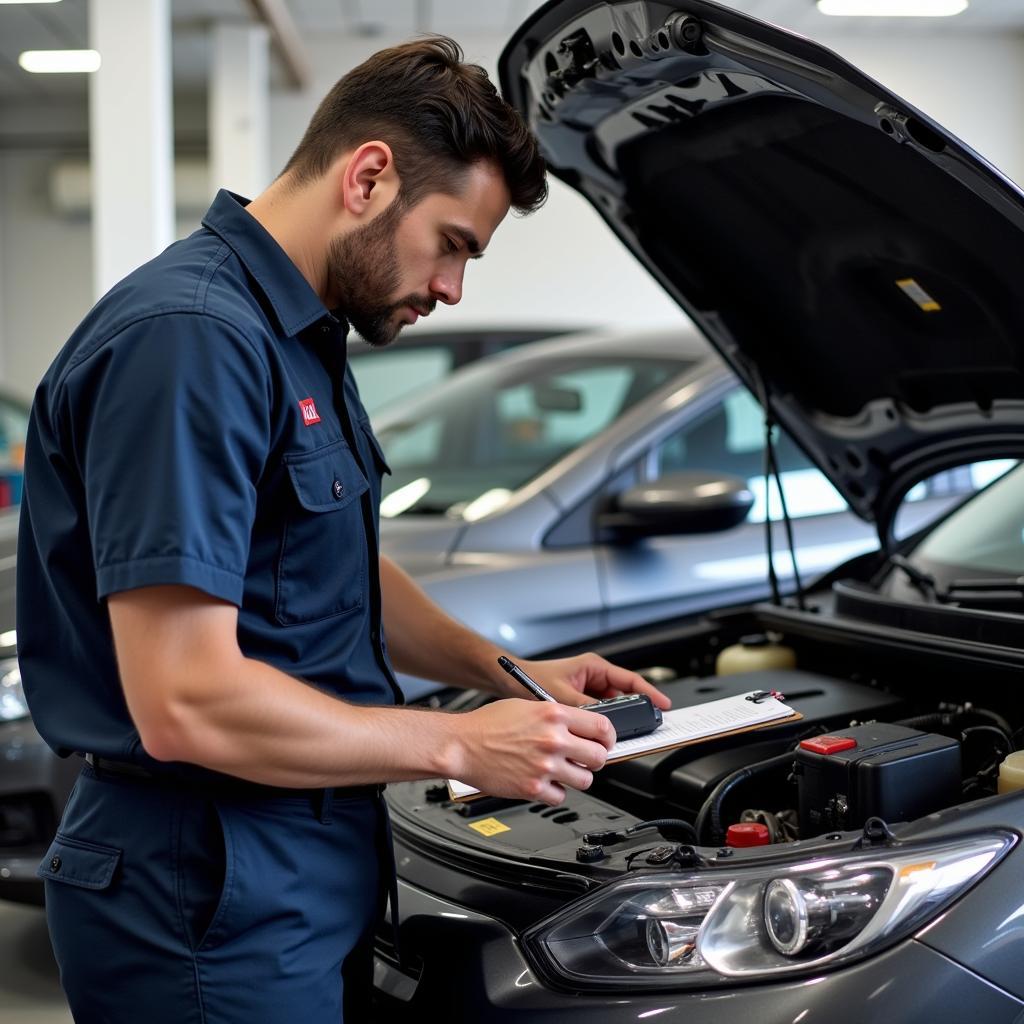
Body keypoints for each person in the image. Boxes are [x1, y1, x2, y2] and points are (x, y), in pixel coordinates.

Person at [16, 36, 671, 1023]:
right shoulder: (192, 340)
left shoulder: (297, 332)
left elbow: (329, 560)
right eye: (452, 242)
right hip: (202, 886)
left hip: (292, 859)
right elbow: (184, 701)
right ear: (369, 175)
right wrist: (456, 746)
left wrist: (509, 675)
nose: (452, 287)